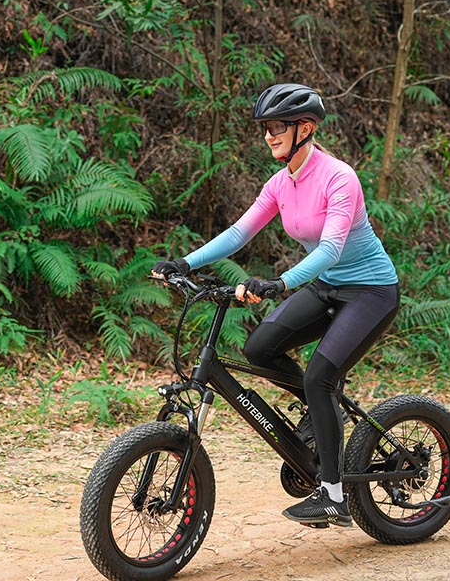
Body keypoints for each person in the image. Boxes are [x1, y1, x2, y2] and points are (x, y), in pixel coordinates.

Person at [151, 83, 399, 528]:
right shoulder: (281, 183)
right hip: (326, 288)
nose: (268, 135)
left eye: (277, 126)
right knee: (259, 348)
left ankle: (335, 495)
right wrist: (183, 262)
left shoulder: (339, 177)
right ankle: (324, 409)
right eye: (265, 128)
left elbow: (330, 250)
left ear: (306, 127)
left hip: (370, 291)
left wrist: (278, 283)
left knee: (322, 377)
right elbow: (237, 234)